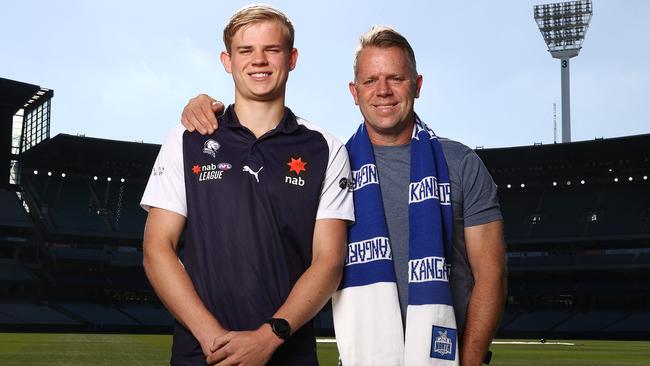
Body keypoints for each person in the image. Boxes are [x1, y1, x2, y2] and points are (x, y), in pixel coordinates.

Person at [181, 26, 506, 366]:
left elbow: (491, 274)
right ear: (354, 91)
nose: (383, 91)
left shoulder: (461, 164)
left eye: (396, 78)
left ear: (417, 85)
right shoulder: (331, 163)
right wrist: (208, 108)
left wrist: (470, 361)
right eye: (370, 81)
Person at [141, 5, 354, 365]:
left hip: (289, 355)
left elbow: (329, 261)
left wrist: (268, 337)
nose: (259, 61)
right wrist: (214, 339)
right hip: (202, 354)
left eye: (271, 49)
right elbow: (157, 249)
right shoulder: (187, 137)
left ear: (292, 58)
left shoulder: (326, 148)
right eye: (245, 51)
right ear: (227, 60)